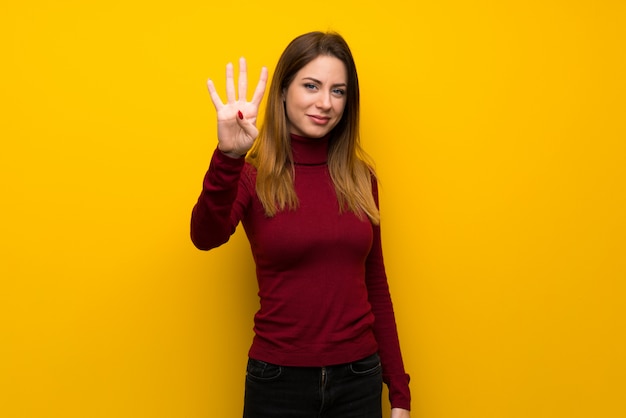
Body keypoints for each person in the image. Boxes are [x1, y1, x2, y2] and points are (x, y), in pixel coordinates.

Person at [191, 31, 411, 418]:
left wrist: (399, 393)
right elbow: (205, 236)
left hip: (359, 378)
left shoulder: (360, 177)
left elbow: (375, 282)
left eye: (338, 91)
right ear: (283, 91)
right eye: (311, 86)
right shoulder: (251, 173)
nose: (325, 103)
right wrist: (228, 157)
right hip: (277, 382)